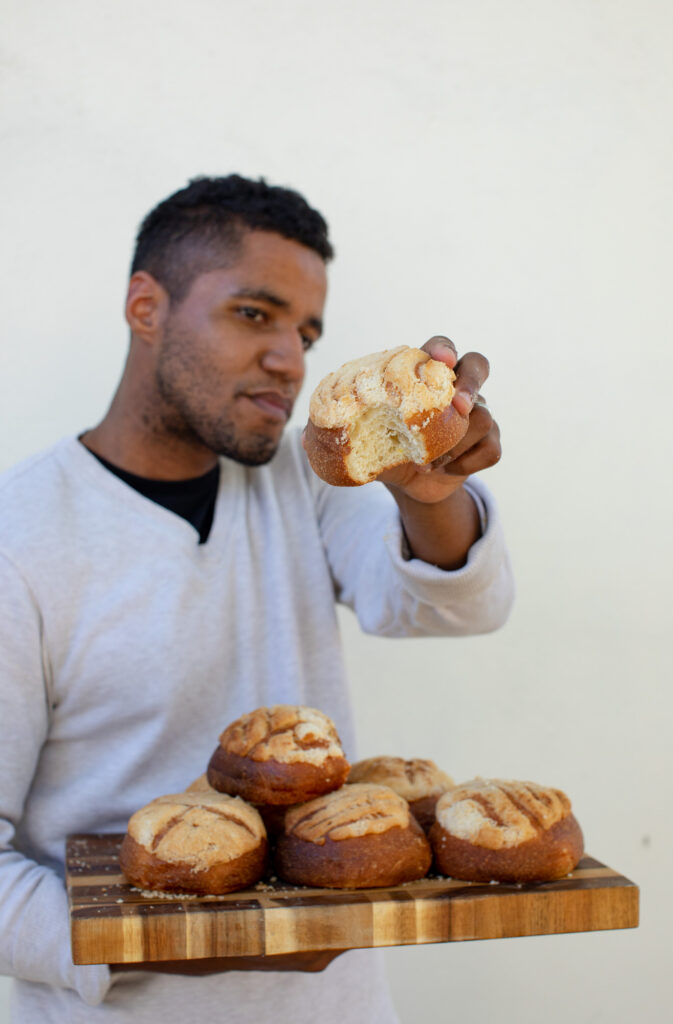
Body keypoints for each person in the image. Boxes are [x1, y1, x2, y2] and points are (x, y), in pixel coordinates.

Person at [0, 174, 514, 1023]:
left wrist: (427, 492)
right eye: (254, 314)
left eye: (307, 331)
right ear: (145, 306)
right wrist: (186, 940)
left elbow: (444, 604)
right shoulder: (21, 538)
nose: (291, 358)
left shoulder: (299, 483)